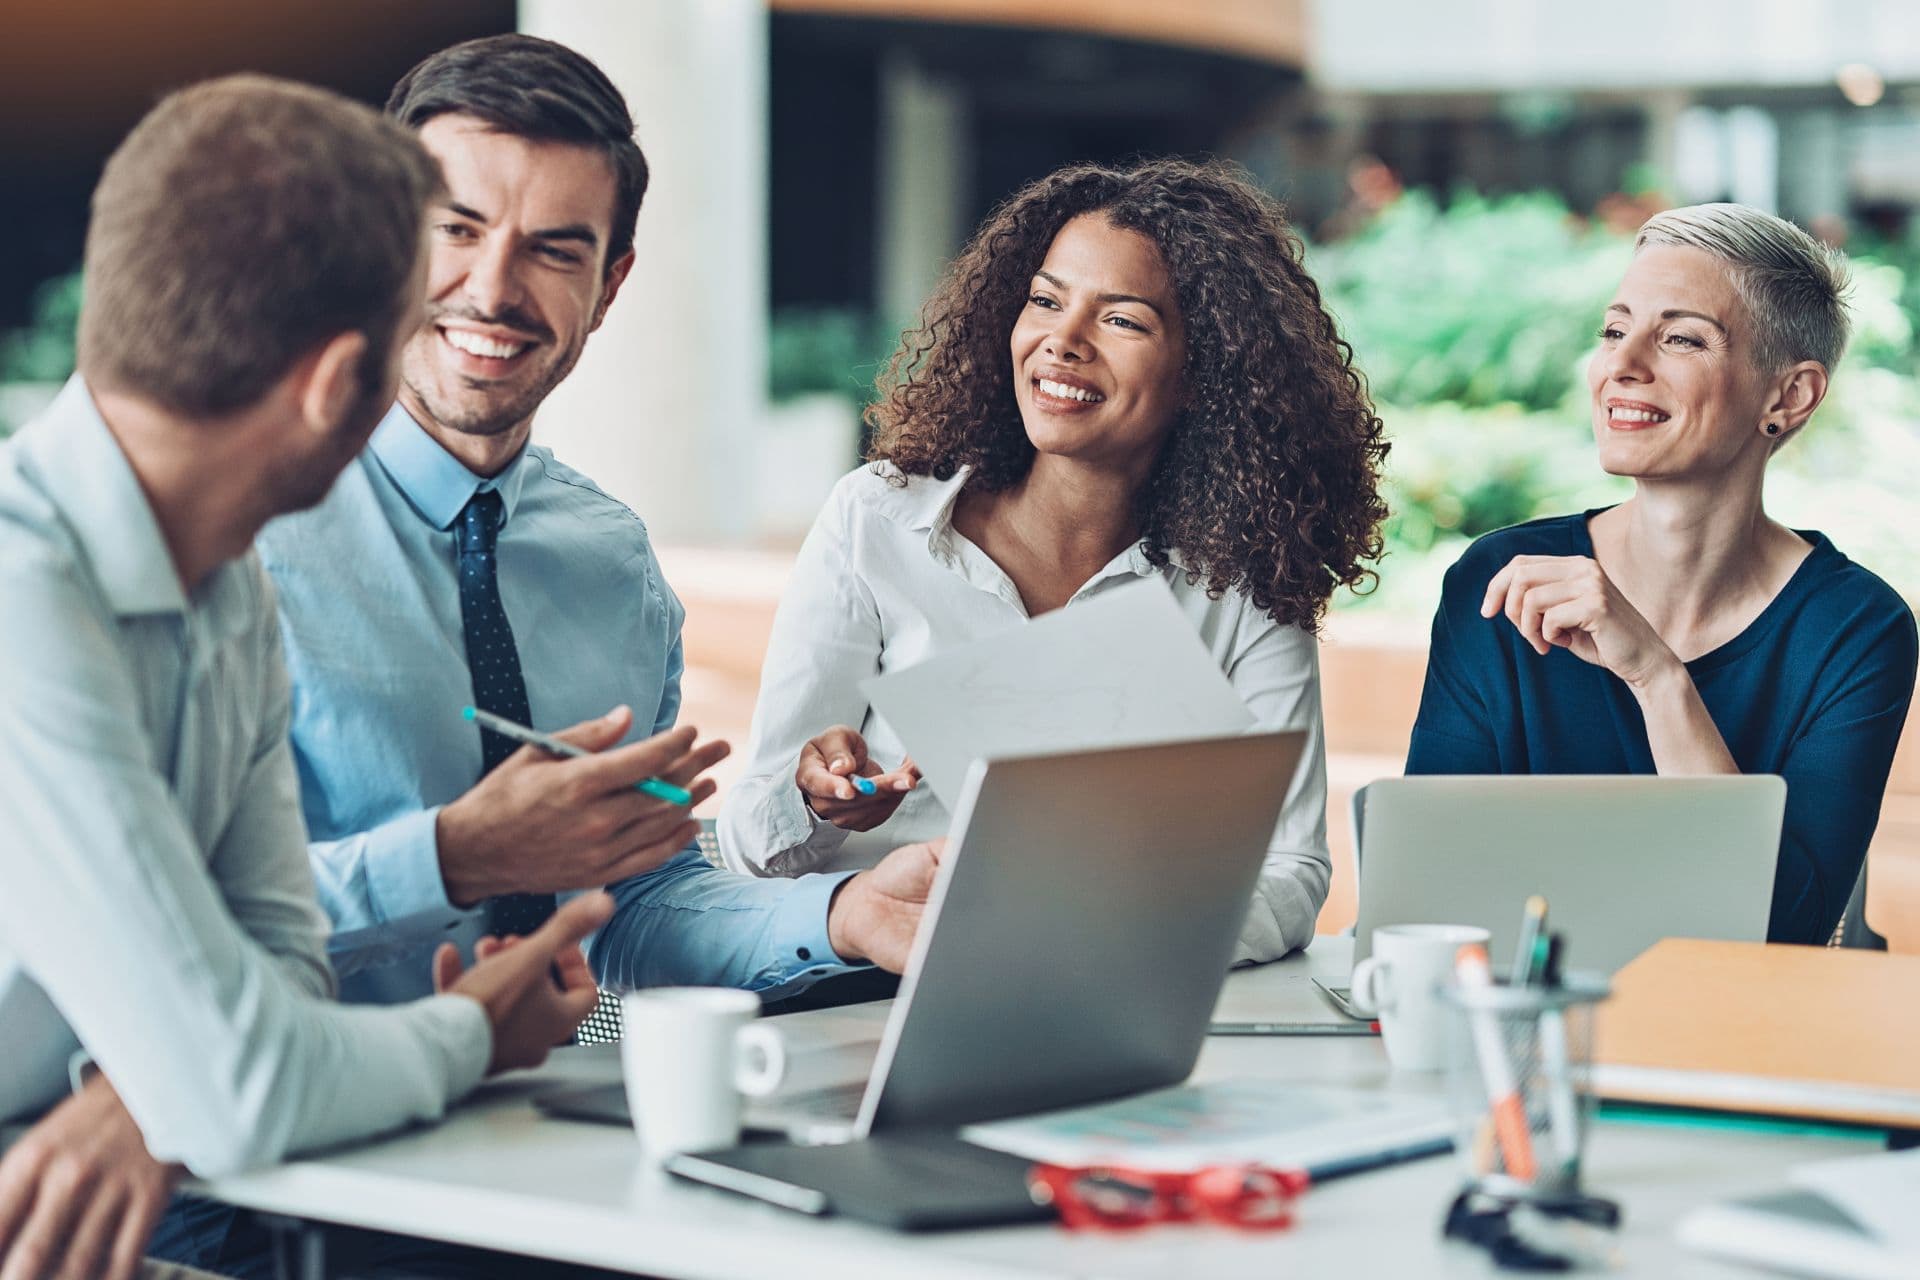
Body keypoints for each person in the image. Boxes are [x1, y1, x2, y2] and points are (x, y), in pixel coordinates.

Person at [0, 76, 612, 1280]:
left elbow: (275, 968)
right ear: (343, 381)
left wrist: (196, 1067)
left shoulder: (229, 592)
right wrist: (465, 1033)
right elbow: (241, 1078)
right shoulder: (21, 595)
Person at [253, 32, 938, 1026]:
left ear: (608, 287)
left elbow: (633, 907)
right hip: (269, 1144)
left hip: (539, 1123)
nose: (493, 289)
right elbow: (151, 917)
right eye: (456, 230)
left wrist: (840, 913)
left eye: (553, 249)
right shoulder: (237, 531)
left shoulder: (611, 561)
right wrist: (457, 857)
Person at [719, 157, 1392, 963]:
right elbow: (752, 845)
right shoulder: (879, 519)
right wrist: (816, 803)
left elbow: (1289, 868)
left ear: (1200, 376)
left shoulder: (1241, 581)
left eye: (1123, 321)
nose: (1061, 342)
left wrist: (1127, 938)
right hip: (867, 989)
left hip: (1111, 994)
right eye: (1045, 301)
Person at [1406, 203, 1918, 946]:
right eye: (1615, 330)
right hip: (1524, 1026)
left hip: (1733, 1040)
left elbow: (1785, 931)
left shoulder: (1855, 629)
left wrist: (1656, 675)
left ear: (1789, 396)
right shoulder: (1499, 580)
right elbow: (1426, 885)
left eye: (1680, 338)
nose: (1623, 365)